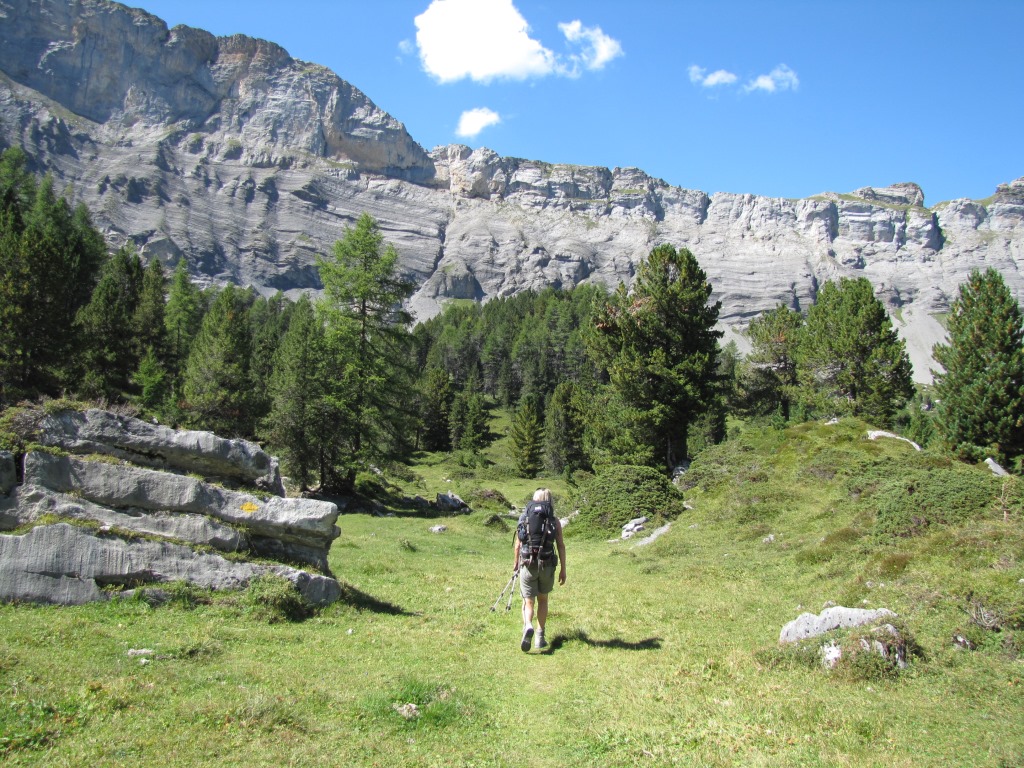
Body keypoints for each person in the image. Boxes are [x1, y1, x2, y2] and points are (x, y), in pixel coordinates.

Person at [513, 488, 566, 651]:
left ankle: (528, 625)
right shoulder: (554, 520)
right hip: (547, 564)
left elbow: (518, 545)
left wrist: (515, 564)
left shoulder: (524, 518)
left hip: (528, 564)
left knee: (528, 601)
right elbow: (561, 545)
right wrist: (563, 569)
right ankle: (540, 637)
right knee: (543, 600)